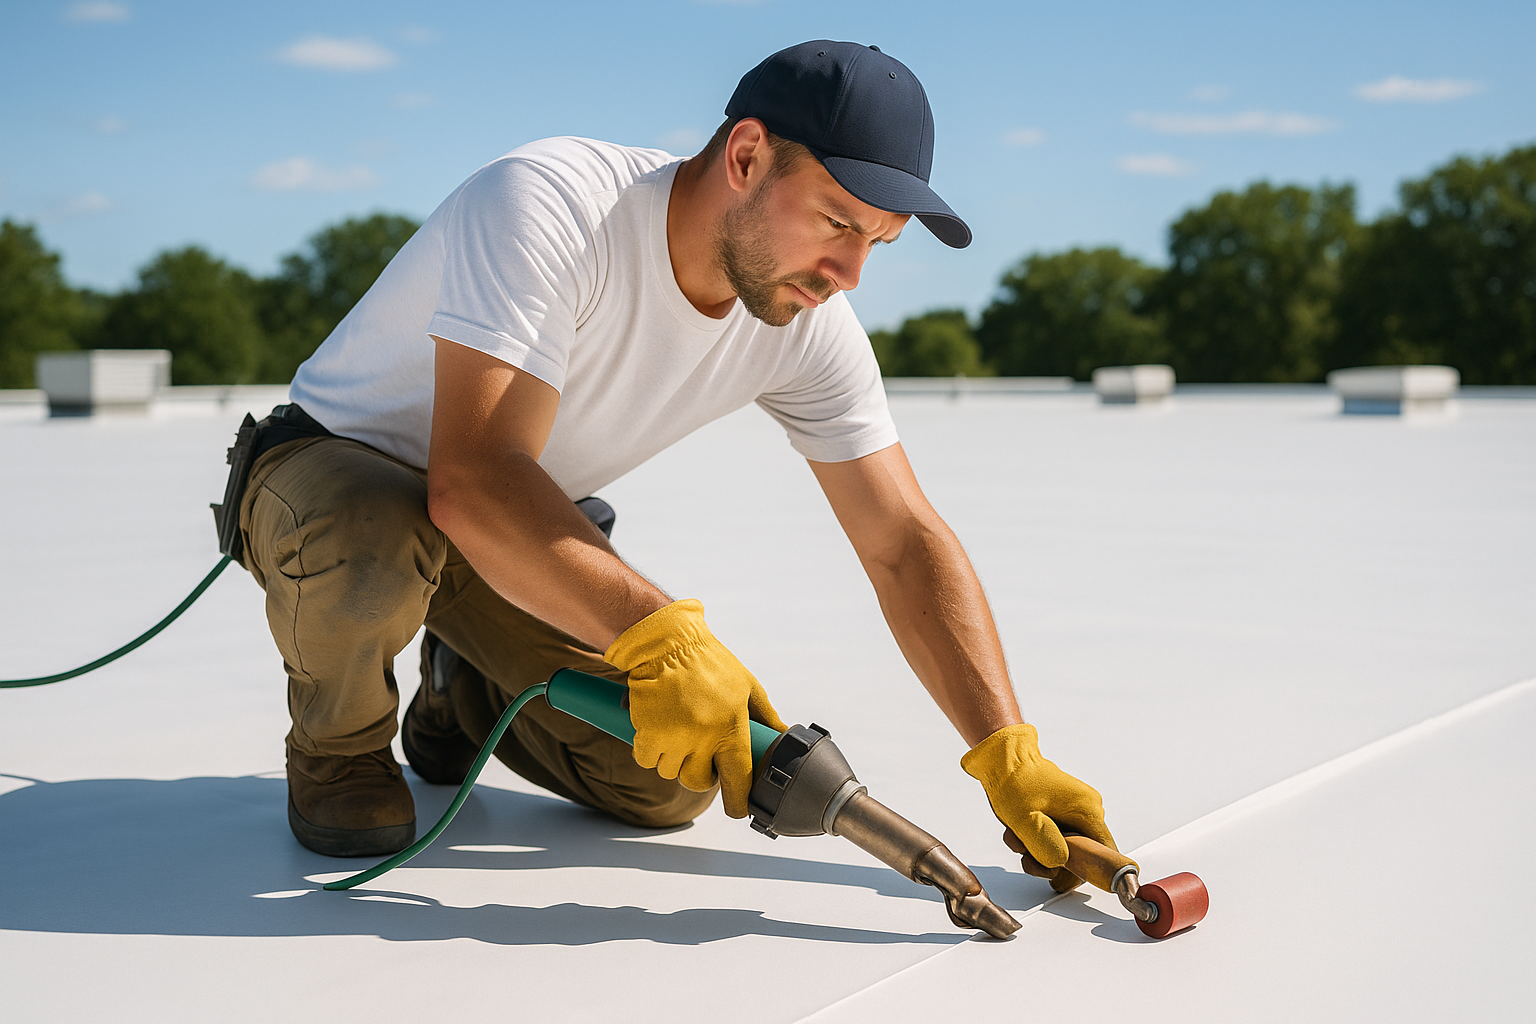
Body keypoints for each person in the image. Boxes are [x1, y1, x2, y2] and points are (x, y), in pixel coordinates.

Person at [231, 39, 1117, 893]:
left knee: (667, 776)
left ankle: (459, 690)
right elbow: (474, 475)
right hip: (334, 479)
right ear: (745, 155)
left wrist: (1008, 752)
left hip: (499, 535)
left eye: (876, 246)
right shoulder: (550, 205)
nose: (848, 273)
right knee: (372, 534)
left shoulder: (807, 323)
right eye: (838, 223)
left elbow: (901, 539)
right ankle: (338, 752)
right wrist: (666, 636)